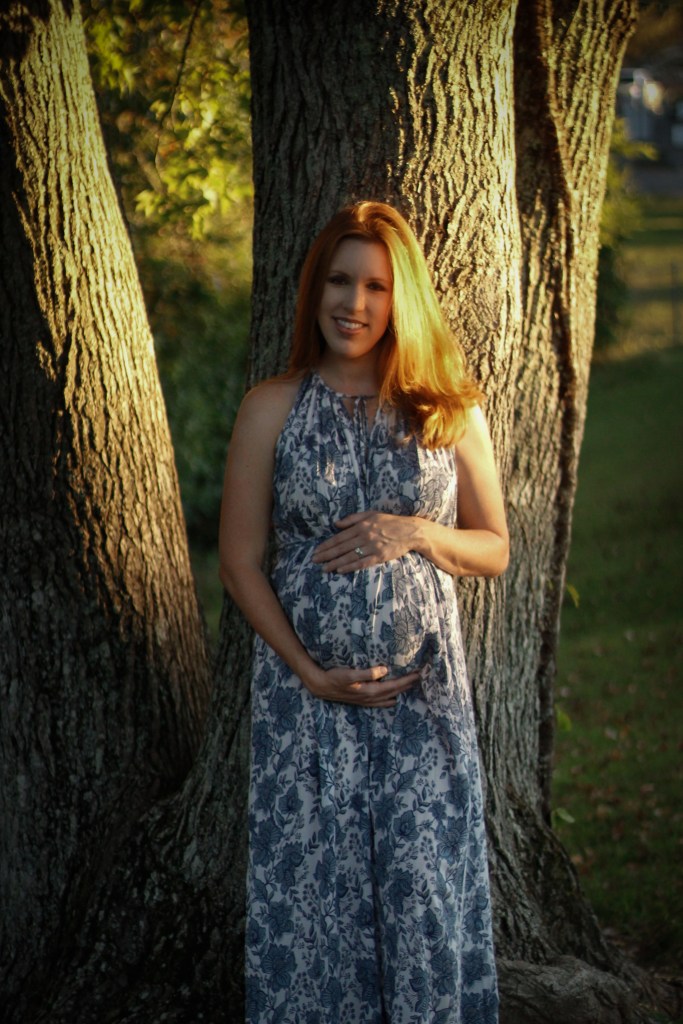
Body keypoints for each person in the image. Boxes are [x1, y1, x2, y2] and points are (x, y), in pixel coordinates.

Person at [219, 200, 508, 1024]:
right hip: (306, 709)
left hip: (423, 708)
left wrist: (416, 530)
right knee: (319, 904)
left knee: (422, 894)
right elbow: (239, 562)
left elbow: (494, 547)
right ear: (314, 290)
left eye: (376, 286)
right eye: (339, 282)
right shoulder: (272, 406)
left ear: (400, 298)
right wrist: (308, 672)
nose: (354, 303)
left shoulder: (446, 408)